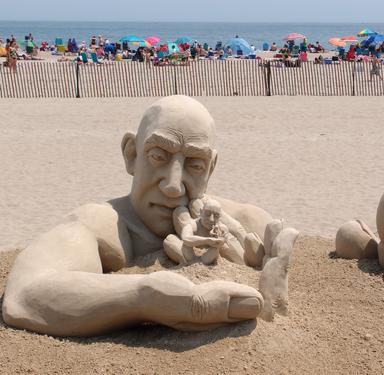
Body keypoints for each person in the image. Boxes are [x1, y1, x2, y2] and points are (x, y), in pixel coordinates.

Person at [2, 96, 296, 337]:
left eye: (195, 164)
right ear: (132, 154)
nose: (172, 185)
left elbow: (275, 246)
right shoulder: (102, 226)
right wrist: (145, 297)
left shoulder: (240, 220)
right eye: (158, 156)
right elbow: (26, 296)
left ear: (211, 168)